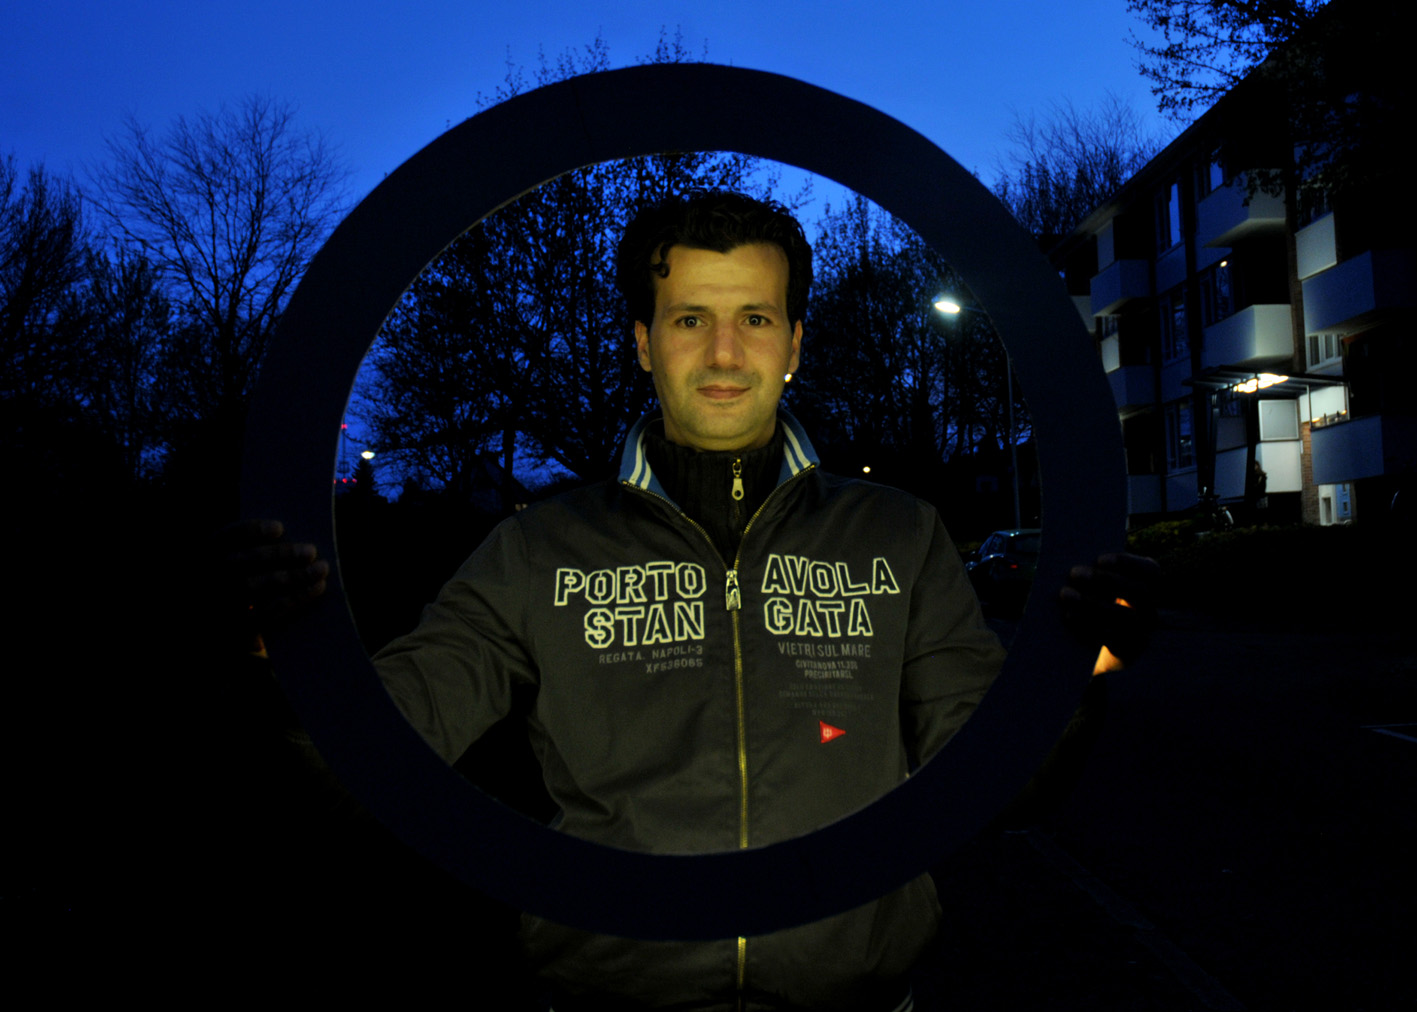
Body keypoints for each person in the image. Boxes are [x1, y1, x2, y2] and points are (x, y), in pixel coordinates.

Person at [226, 192, 1156, 1012]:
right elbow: (376, 756)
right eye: (688, 319)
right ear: (643, 343)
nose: (723, 352)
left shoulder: (898, 536)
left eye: (754, 317)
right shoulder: (539, 551)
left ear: (794, 343)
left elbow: (997, 779)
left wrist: (1073, 671)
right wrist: (287, 661)